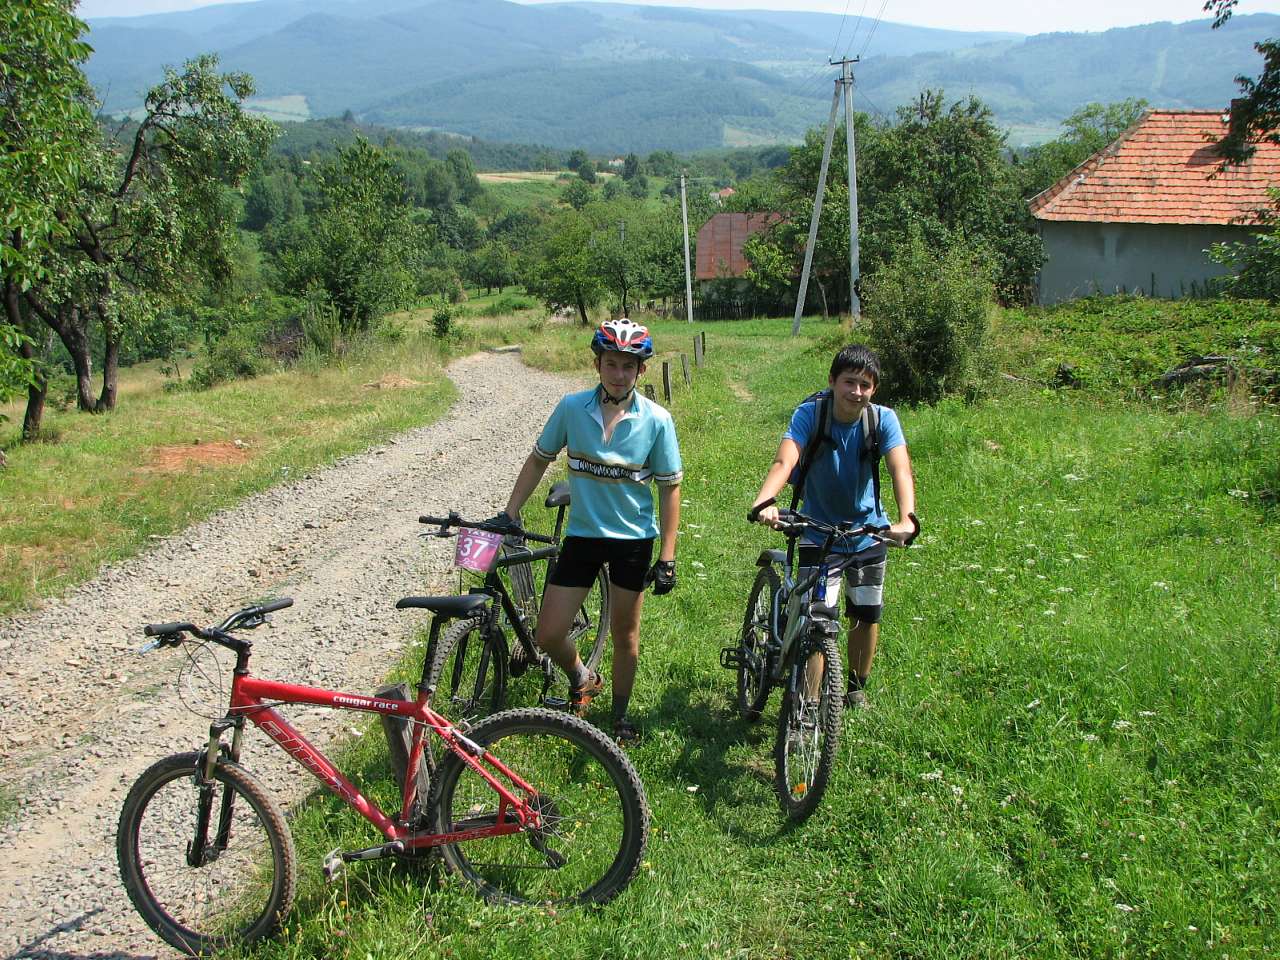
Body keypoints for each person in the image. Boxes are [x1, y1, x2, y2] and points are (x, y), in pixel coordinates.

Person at [492, 318, 682, 744]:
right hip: (583, 536)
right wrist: (510, 512)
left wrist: (667, 555)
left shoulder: (657, 421)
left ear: (641, 371)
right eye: (611, 364)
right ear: (597, 364)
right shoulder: (570, 408)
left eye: (627, 367)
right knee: (548, 632)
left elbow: (671, 488)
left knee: (624, 634)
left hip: (633, 541)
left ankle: (620, 716)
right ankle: (581, 676)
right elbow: (539, 458)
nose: (618, 374)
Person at [749, 344, 917, 709]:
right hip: (817, 530)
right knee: (817, 618)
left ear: (874, 390)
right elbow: (785, 460)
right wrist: (765, 500)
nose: (856, 392)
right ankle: (808, 704)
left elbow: (899, 468)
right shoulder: (811, 414)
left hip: (867, 532)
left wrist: (907, 518)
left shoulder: (882, 420)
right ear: (832, 381)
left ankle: (855, 688)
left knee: (866, 612)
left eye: (865, 385)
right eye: (849, 382)